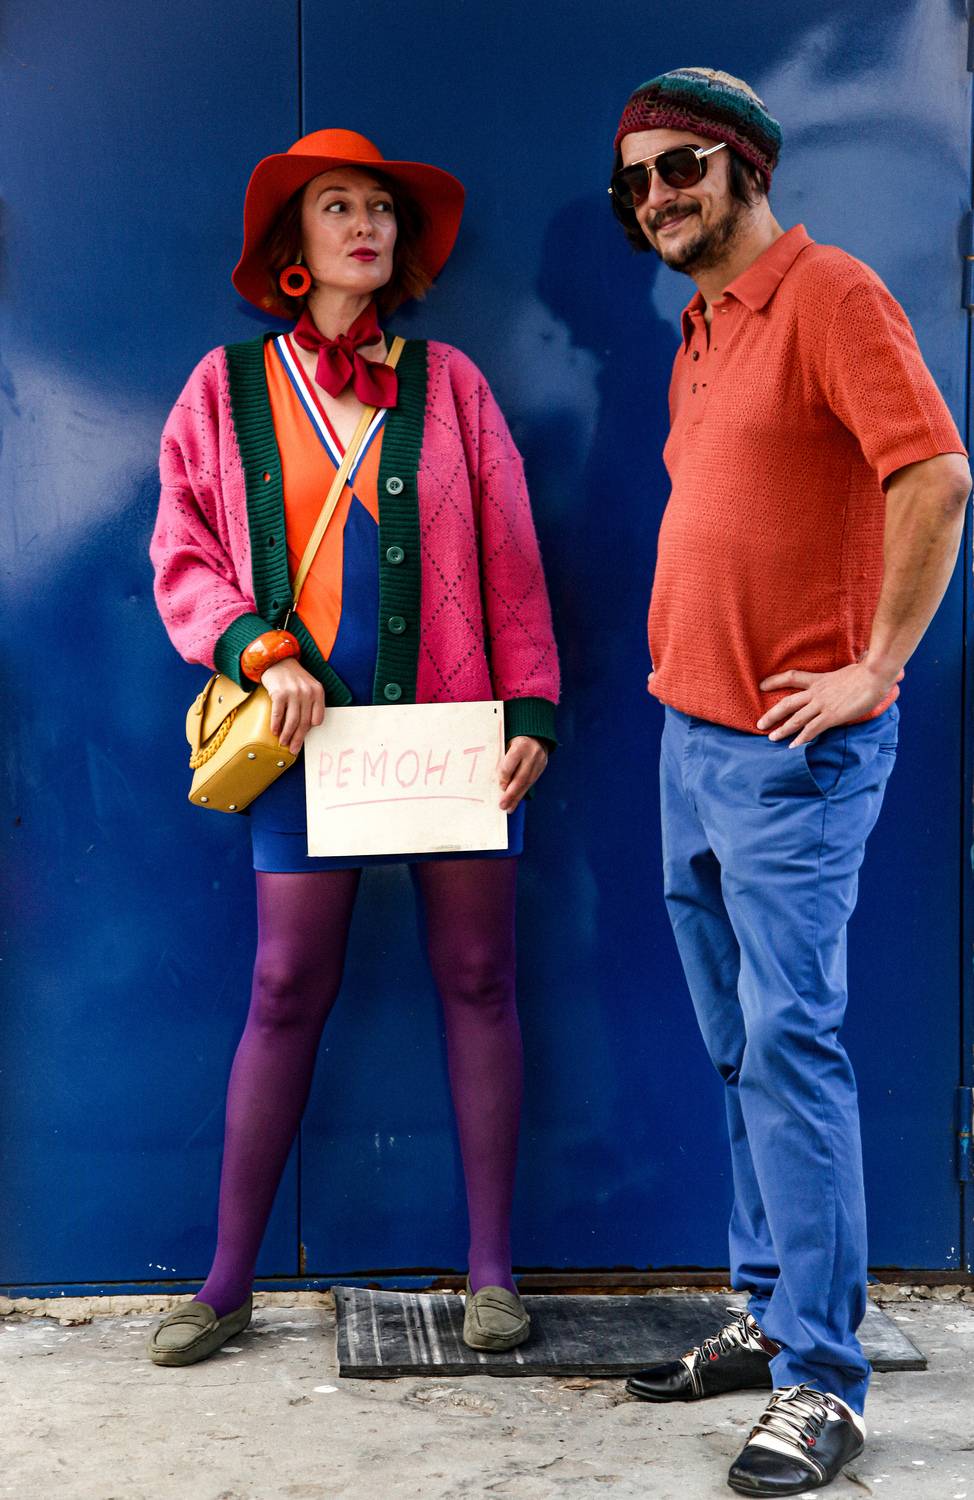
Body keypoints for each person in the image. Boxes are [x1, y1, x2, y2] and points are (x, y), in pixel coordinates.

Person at [607, 69, 970, 1495]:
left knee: (791, 1044)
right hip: (687, 739)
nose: (656, 197)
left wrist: (874, 666)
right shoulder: (701, 326)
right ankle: (768, 1311)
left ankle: (823, 1380)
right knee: (737, 1047)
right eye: (635, 180)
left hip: (790, 757)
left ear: (744, 165)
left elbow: (933, 476)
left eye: (679, 168)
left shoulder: (832, 297)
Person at [148, 128, 559, 1366]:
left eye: (379, 207)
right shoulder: (223, 389)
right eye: (336, 206)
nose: (365, 224)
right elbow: (184, 550)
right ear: (294, 241)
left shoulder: (453, 387)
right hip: (301, 745)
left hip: (451, 730)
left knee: (479, 978)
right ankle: (226, 1283)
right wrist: (256, 652)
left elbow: (510, 555)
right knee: (284, 988)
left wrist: (529, 708)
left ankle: (491, 1274)